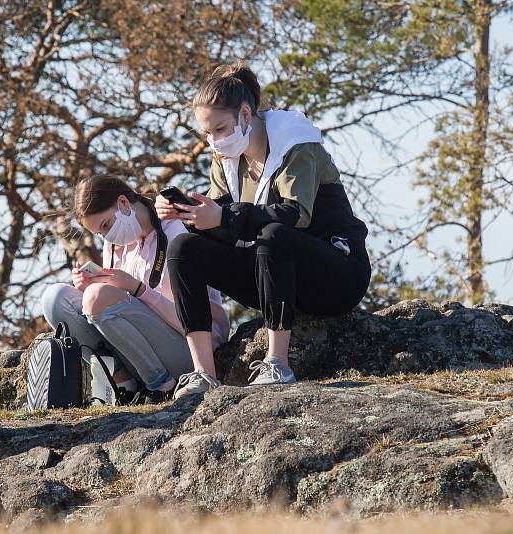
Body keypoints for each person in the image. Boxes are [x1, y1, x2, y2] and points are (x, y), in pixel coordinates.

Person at [156, 62, 371, 399]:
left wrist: (224, 218)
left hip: (336, 275)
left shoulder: (296, 143)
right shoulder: (226, 157)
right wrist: (187, 214)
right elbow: (226, 225)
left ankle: (277, 363)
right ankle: (203, 374)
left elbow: (294, 215)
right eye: (206, 133)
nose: (214, 141)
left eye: (220, 129)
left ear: (245, 114)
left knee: (274, 235)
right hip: (276, 277)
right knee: (184, 247)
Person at [41, 175, 230, 402]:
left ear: (123, 203)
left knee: (97, 297)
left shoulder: (175, 232)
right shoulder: (115, 242)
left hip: (192, 352)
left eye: (106, 225)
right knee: (55, 298)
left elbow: (187, 323)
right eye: (99, 234)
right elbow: (114, 311)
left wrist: (136, 288)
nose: (107, 236)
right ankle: (122, 382)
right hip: (138, 353)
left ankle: (161, 388)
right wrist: (92, 284)